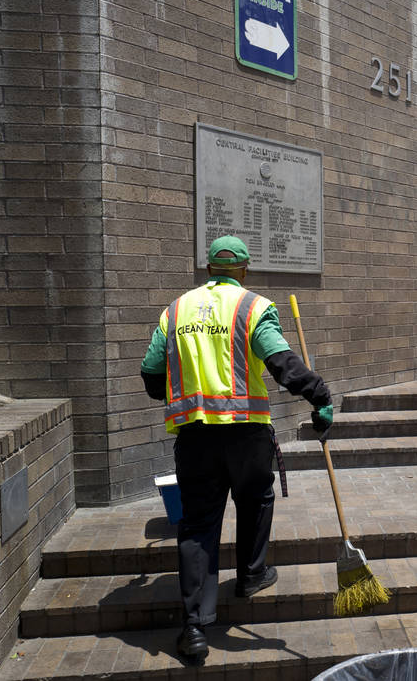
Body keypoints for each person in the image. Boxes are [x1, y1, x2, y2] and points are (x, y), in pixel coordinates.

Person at [140, 235, 334, 660]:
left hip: (194, 436)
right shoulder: (253, 307)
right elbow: (281, 363)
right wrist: (319, 397)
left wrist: (177, 386)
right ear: (244, 270)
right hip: (246, 434)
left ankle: (194, 630)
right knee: (255, 500)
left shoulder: (174, 312)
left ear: (208, 268)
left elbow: (151, 373)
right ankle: (250, 575)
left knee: (198, 524)